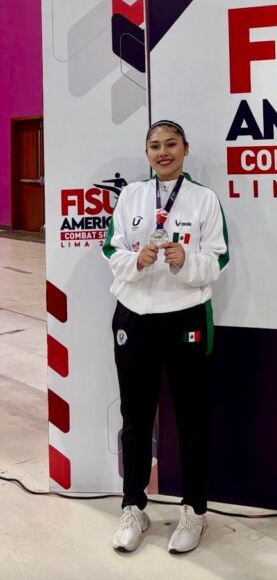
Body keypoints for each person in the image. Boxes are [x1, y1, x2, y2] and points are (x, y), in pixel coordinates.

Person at [102, 119, 229, 554]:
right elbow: (111, 249)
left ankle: (194, 511)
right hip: (134, 316)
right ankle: (134, 506)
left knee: (191, 418)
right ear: (147, 153)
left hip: (185, 316)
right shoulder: (131, 197)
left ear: (185, 149)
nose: (163, 152)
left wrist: (186, 260)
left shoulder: (204, 199)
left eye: (171, 144)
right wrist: (136, 260)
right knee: (135, 418)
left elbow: (218, 258)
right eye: (154, 146)